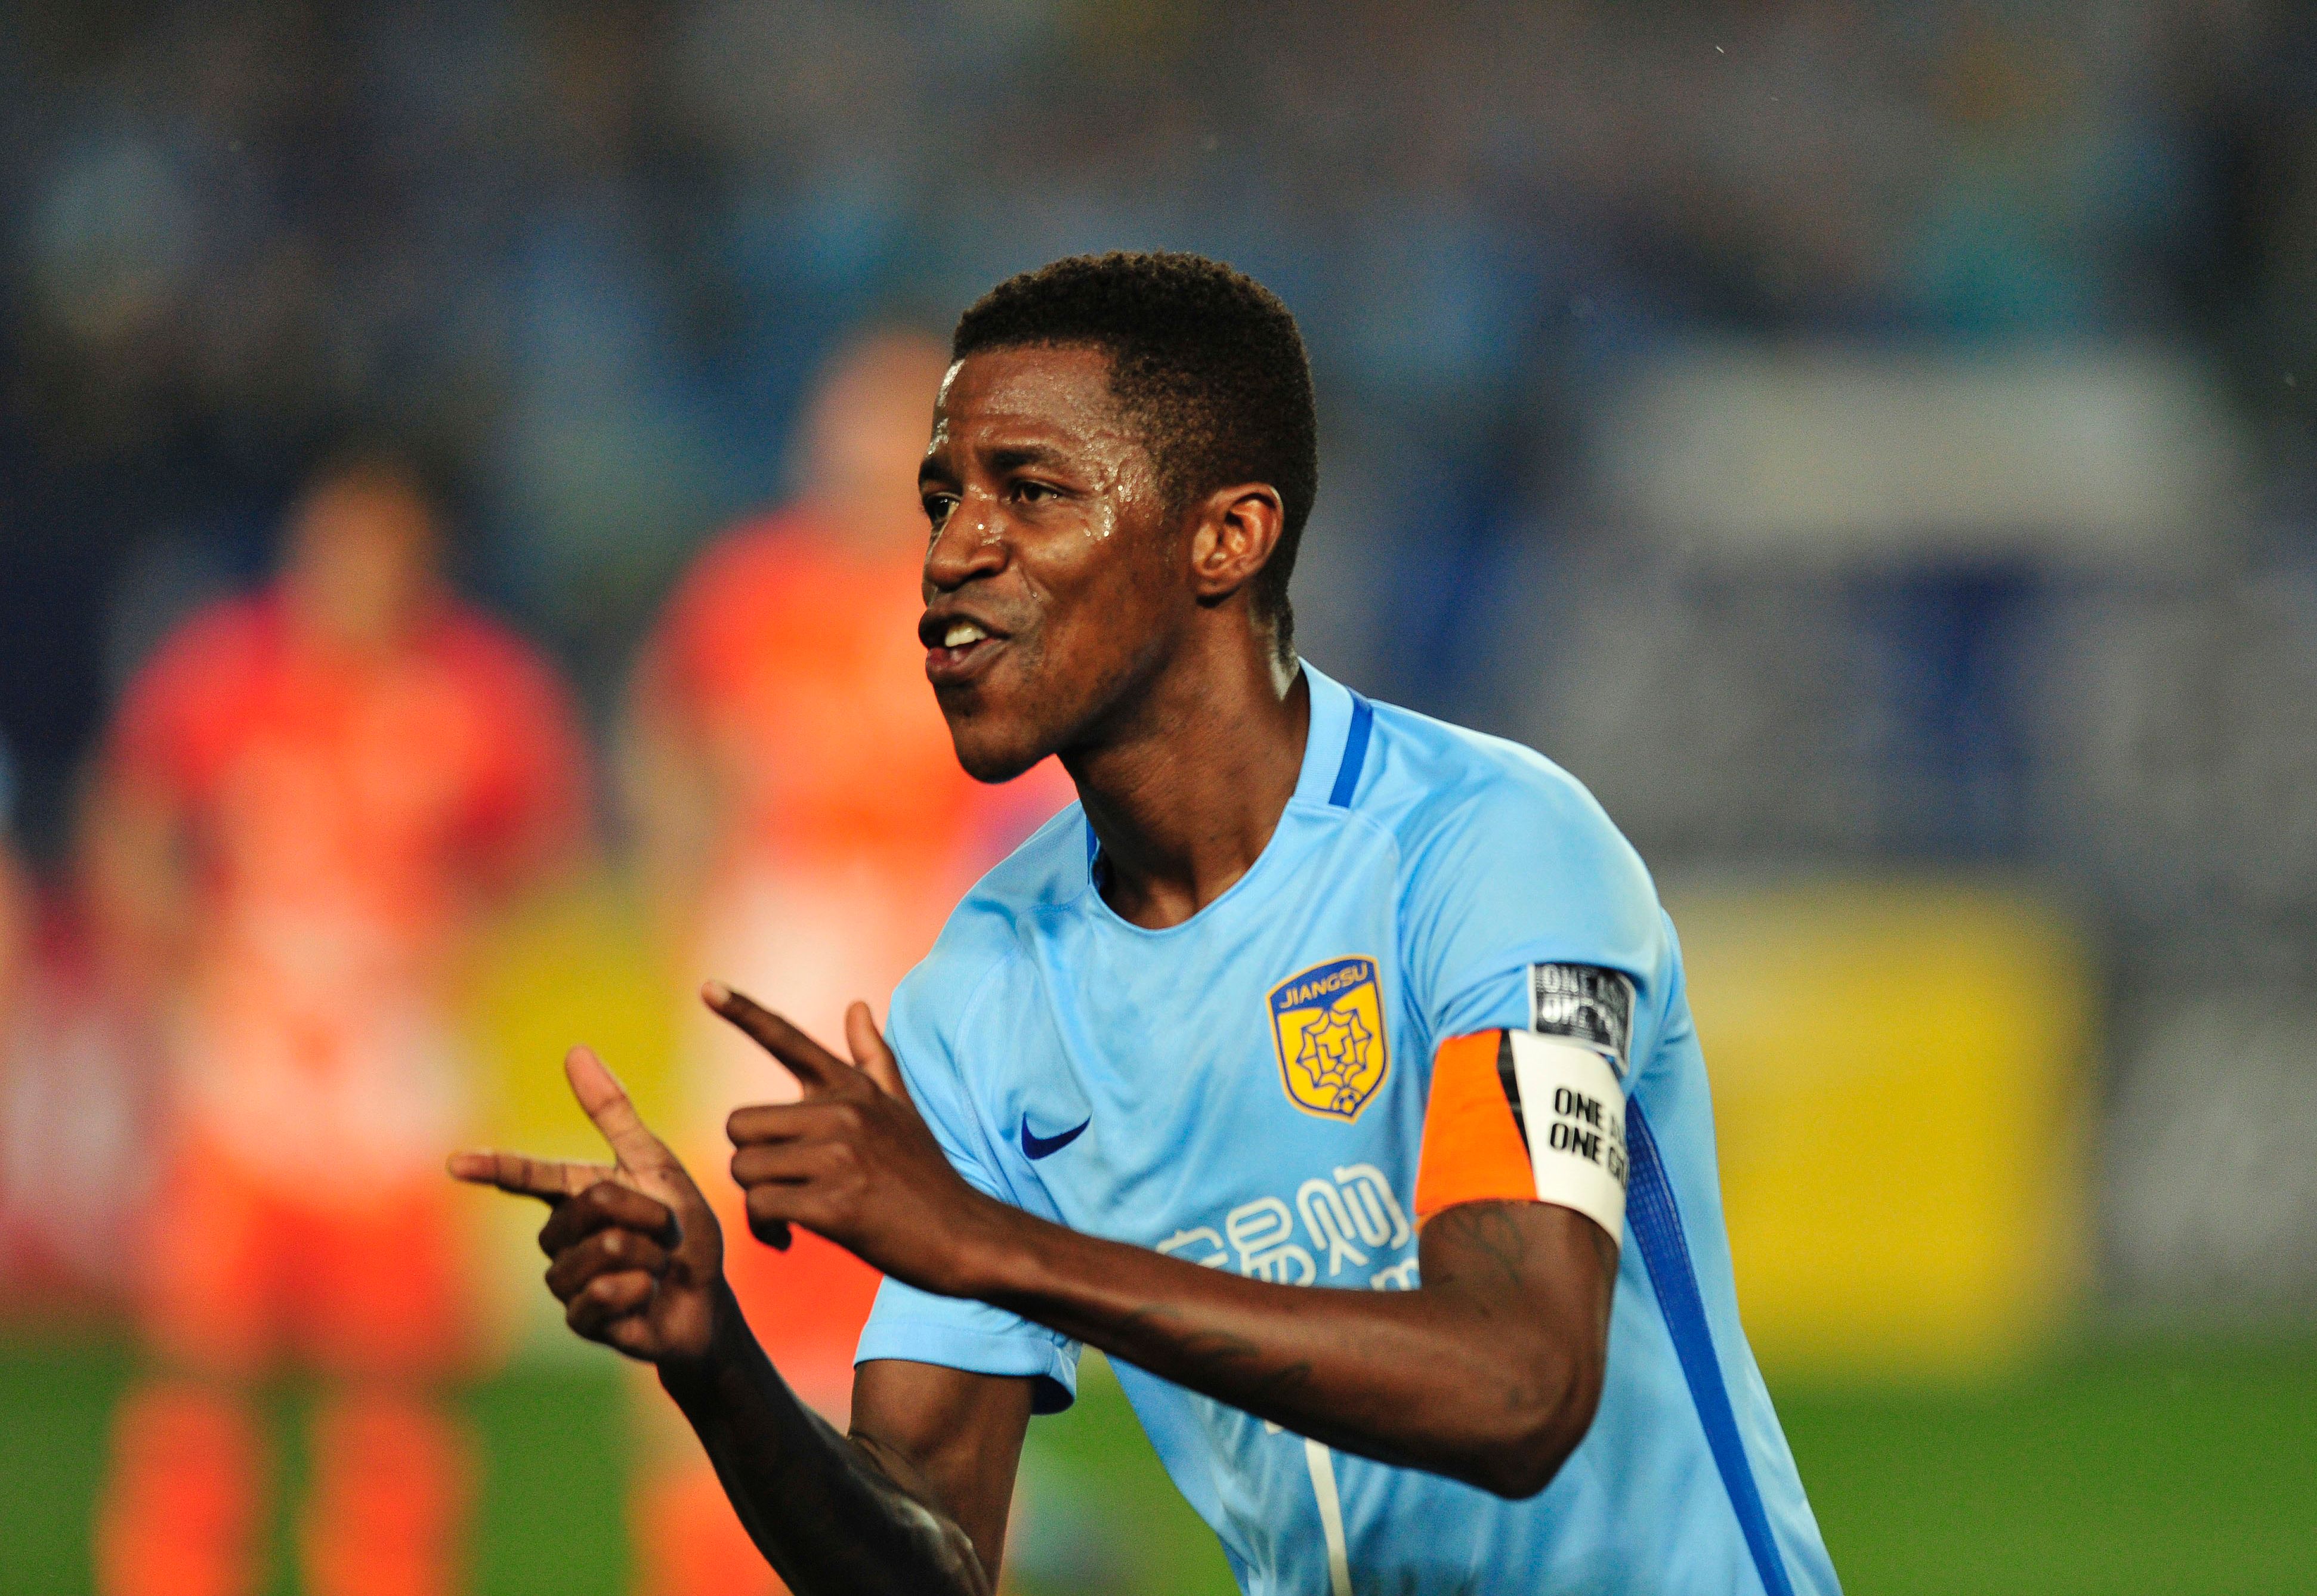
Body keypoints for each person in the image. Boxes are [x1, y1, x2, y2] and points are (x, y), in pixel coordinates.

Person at [455, 253, 1841, 1595]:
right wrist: (721, 1370)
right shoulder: (985, 996)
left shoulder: (1487, 853)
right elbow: (931, 1555)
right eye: (940, 501)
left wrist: (991, 1246)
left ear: (1225, 538)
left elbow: (1519, 1384)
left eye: (1028, 493)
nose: (949, 557)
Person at [92, 449, 589, 1596]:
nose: (360, 578)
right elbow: (132, 817)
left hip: (392, 1089)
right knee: (201, 1385)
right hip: (250, 1076)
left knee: (394, 1404)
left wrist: (464, 938)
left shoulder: (479, 689)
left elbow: (546, 852)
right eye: (339, 550)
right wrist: (175, 953)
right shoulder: (228, 669)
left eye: (387, 554)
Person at [621, 327, 1061, 1596]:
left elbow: (1047, 807)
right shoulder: (751, 589)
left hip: (925, 999)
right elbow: (669, 736)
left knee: (932, 1341)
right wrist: (686, 905)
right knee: (710, 1304)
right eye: (852, 429)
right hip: (779, 971)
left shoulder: (993, 599)